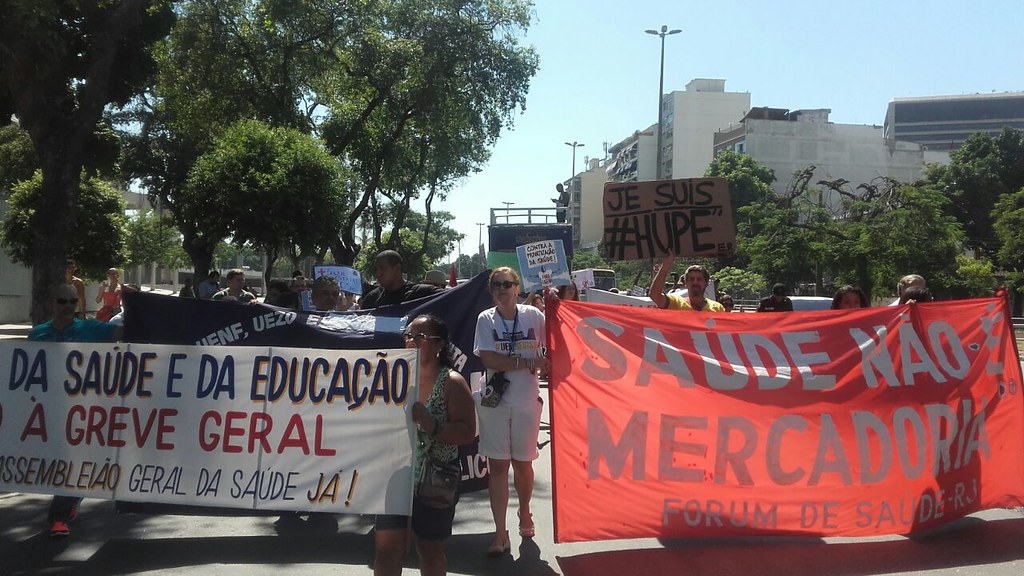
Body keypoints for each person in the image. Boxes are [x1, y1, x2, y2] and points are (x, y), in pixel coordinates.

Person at [373, 314, 476, 576]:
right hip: (394, 474)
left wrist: (434, 426)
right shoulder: (392, 377)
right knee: (386, 550)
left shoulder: (452, 383)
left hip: (435, 478)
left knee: (429, 552)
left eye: (419, 336)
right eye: (408, 335)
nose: (410, 341)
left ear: (439, 344)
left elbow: (468, 432)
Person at [30, 283, 124, 538]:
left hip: (83, 410)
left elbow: (127, 331)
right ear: (52, 303)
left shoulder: (91, 328)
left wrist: (140, 304)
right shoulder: (38, 334)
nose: (69, 307)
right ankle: (71, 500)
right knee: (58, 460)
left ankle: (59, 516)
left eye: (73, 302)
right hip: (48, 410)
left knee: (72, 458)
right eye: (63, 301)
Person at [473, 267, 547, 557]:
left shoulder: (534, 316)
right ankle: (500, 532)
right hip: (495, 401)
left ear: (518, 288)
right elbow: (489, 358)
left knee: (523, 464)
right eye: (496, 285)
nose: (501, 289)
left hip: (527, 400)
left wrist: (542, 360)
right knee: (499, 466)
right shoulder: (485, 319)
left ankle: (525, 511)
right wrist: (525, 362)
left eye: (507, 284)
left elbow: (549, 350)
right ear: (491, 291)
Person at [360, 250, 442, 309]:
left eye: (382, 268)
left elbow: (452, 298)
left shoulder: (422, 294)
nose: (378, 274)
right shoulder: (371, 299)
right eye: (376, 269)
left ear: (397, 269)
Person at [648, 253, 725, 312]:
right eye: (691, 279)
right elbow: (655, 295)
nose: (695, 282)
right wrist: (665, 266)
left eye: (699, 279)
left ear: (706, 283)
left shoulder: (718, 308)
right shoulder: (676, 303)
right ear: (685, 283)